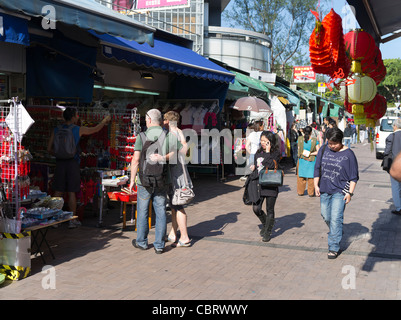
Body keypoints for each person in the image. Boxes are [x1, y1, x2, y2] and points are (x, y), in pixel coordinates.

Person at [47, 107, 111, 228]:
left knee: (58, 191)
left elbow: (49, 149)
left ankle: (54, 220)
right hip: (72, 163)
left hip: (60, 163)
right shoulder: (77, 129)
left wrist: (59, 154)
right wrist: (104, 121)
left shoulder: (56, 129)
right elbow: (95, 129)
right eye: (77, 115)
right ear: (72, 117)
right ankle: (72, 220)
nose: (78, 117)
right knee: (72, 192)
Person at [129, 109, 179, 254]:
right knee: (161, 210)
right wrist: (163, 158)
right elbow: (177, 154)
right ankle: (159, 245)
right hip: (162, 179)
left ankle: (142, 242)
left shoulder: (142, 136)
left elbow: (135, 160)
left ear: (149, 119)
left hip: (143, 180)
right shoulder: (168, 135)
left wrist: (132, 180)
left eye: (145, 119)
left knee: (143, 210)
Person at [314, 127, 359, 259]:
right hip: (324, 189)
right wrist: (316, 185)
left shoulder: (349, 154)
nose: (332, 146)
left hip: (340, 191)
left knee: (335, 218)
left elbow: (354, 176)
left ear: (341, 141)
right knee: (326, 215)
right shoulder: (323, 149)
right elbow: (317, 168)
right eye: (330, 143)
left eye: (335, 144)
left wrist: (350, 193)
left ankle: (333, 247)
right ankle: (336, 230)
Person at [163, 111, 192, 247]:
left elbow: (179, 153)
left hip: (176, 176)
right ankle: (173, 232)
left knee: (178, 204)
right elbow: (185, 150)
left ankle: (184, 236)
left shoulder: (170, 135)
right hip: (179, 174)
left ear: (168, 121)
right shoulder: (178, 133)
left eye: (164, 120)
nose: (163, 122)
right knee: (174, 204)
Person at [250, 131, 281, 242]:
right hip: (259, 184)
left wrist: (268, 153)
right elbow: (257, 166)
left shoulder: (275, 153)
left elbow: (271, 166)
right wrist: (253, 167)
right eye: (261, 140)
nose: (262, 143)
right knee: (256, 208)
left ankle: (267, 231)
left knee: (270, 209)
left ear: (270, 141)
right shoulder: (258, 152)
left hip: (271, 185)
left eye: (265, 141)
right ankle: (266, 224)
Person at [383, 118, 401, 215]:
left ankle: (399, 208)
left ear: (395, 126)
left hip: (396, 166)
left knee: (396, 187)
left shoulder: (392, 136)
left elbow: (387, 152)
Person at [297, 126, 320, 197]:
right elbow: (318, 152)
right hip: (311, 161)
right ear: (311, 132)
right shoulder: (314, 140)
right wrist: (311, 153)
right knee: (311, 178)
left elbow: (298, 149)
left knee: (301, 177)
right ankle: (310, 193)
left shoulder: (300, 139)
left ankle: (300, 192)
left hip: (302, 160)